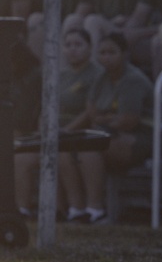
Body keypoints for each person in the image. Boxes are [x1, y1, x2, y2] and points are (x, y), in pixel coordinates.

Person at [62, 31, 154, 223]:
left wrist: (105, 120)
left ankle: (96, 209)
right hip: (109, 134)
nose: (106, 57)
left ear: (124, 54)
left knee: (90, 146)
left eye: (112, 52)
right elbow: (92, 113)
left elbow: (128, 121)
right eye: (102, 52)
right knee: (65, 149)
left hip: (139, 138)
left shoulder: (133, 79)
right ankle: (76, 208)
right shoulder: (100, 77)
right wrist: (109, 118)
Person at [15, 25, 98, 219]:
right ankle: (23, 211)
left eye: (78, 44)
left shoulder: (96, 74)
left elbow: (89, 111)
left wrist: (65, 130)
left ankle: (74, 209)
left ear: (89, 47)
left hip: (78, 135)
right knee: (20, 159)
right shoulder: (59, 75)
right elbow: (45, 108)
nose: (72, 49)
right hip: (54, 133)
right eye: (68, 44)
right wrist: (42, 129)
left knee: (60, 153)